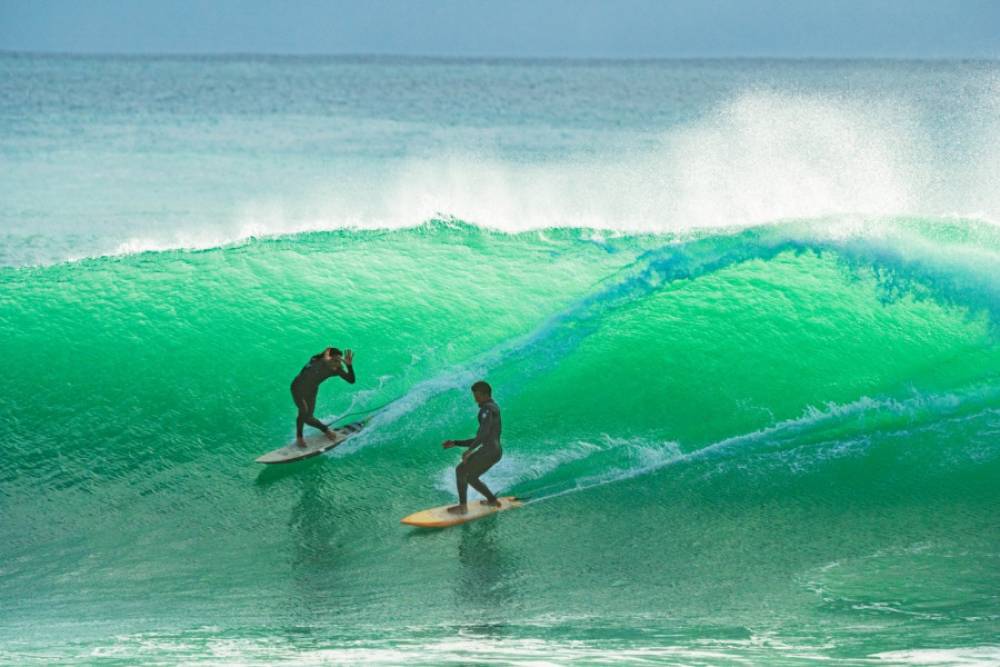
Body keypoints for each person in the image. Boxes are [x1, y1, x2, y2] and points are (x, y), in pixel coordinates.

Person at [442, 380, 503, 514]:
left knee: (460, 470)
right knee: (471, 477)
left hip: (489, 451)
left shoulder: (486, 409)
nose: (475, 398)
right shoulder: (494, 407)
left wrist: (470, 450)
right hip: (495, 451)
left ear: (485, 394)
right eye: (475, 395)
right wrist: (456, 442)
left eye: (477, 395)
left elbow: (483, 433)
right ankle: (492, 500)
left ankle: (463, 507)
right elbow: (482, 437)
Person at [291, 347, 355, 447]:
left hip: (311, 391)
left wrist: (349, 366)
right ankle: (299, 437)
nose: (338, 362)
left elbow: (351, 380)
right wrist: (326, 356)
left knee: (308, 418)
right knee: (303, 410)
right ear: (329, 358)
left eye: (339, 360)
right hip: (297, 388)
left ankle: (325, 429)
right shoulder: (315, 360)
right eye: (335, 359)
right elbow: (326, 352)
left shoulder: (336, 369)